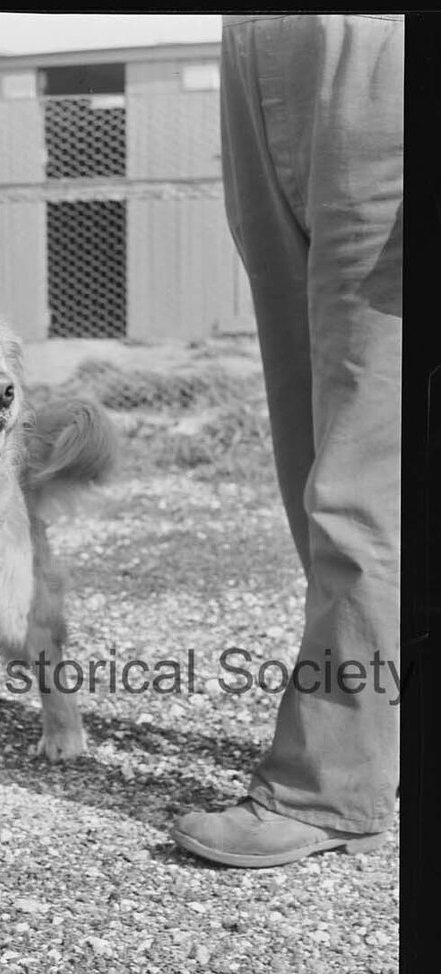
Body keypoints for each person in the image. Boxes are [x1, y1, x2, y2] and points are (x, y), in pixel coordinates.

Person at [173, 14, 404, 868]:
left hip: (386, 52)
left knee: (361, 483)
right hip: (260, 48)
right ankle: (381, 737)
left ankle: (330, 785)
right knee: (307, 455)